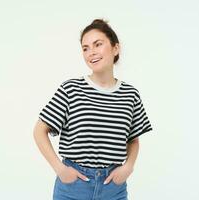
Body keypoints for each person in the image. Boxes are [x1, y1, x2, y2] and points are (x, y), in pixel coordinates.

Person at [33, 18, 153, 200]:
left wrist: (128, 167)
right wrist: (60, 169)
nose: (91, 52)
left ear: (115, 48)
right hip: (73, 188)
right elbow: (39, 130)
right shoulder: (70, 89)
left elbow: (133, 139)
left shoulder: (130, 94)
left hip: (114, 188)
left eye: (98, 44)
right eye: (85, 48)